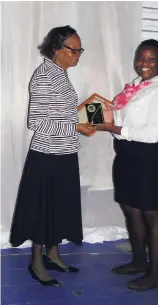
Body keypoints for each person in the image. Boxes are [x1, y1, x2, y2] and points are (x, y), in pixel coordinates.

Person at [10, 26, 94, 287]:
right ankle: (36, 262)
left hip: (65, 153)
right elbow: (36, 122)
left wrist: (87, 118)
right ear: (57, 49)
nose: (78, 54)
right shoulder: (44, 75)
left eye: (80, 49)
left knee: (58, 208)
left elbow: (60, 115)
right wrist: (76, 126)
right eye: (73, 49)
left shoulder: (61, 74)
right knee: (42, 210)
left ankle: (53, 254)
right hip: (47, 156)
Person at [95, 39, 158, 291]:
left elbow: (152, 134)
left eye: (151, 59)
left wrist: (113, 127)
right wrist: (110, 118)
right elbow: (123, 126)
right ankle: (139, 262)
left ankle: (156, 273)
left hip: (150, 157)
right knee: (131, 209)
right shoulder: (135, 87)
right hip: (128, 154)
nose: (144, 64)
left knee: (151, 212)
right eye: (141, 58)